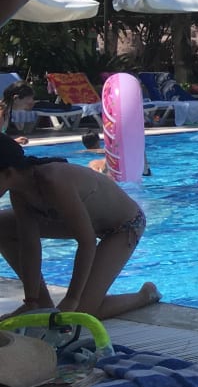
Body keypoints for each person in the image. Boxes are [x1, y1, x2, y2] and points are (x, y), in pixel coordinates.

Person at [0, 136, 159, 320]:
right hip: (87, 222)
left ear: (9, 172)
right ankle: (40, 304)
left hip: (123, 226)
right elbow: (30, 244)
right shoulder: (19, 192)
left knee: (80, 313)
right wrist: (31, 300)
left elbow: (86, 242)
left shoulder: (53, 180)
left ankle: (145, 295)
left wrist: (72, 298)